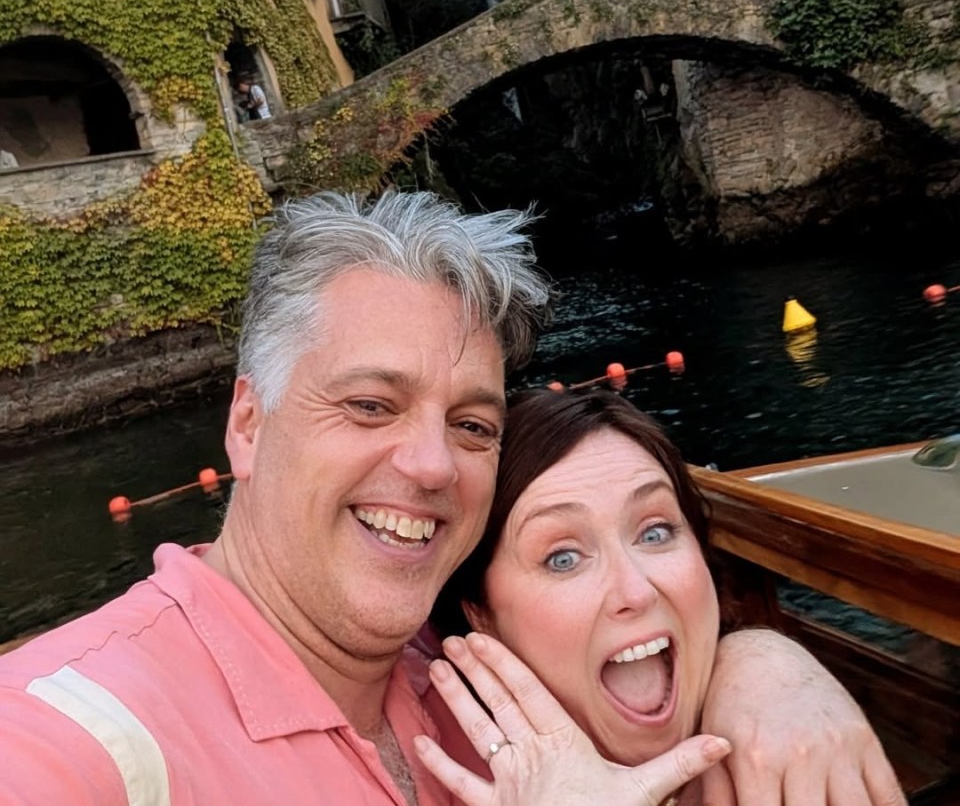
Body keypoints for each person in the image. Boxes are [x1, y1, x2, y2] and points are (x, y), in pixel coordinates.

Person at [0, 191, 905, 806]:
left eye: (473, 425)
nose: (433, 465)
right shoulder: (77, 739)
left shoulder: (468, 678)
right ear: (248, 421)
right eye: (369, 405)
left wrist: (760, 662)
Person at [424, 388, 905, 804]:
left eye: (655, 533)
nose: (635, 590)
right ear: (480, 615)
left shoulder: (787, 742)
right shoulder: (434, 769)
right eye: (563, 558)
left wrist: (763, 660)